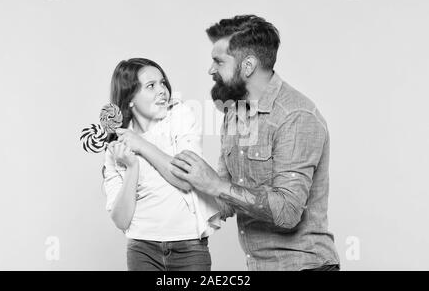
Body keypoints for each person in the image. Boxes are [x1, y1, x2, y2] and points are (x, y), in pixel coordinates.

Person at [170, 15, 341, 271]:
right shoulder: (234, 111)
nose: (211, 70)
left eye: (219, 61)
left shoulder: (296, 116)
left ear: (248, 66)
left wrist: (214, 184)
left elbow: (288, 212)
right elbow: (226, 198)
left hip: (305, 267)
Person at [102, 58, 223, 271]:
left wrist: (141, 145)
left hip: (189, 247)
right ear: (130, 98)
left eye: (163, 82)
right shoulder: (116, 147)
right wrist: (131, 167)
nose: (162, 90)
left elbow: (187, 179)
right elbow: (121, 221)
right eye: (151, 86)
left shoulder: (181, 117)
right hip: (142, 249)